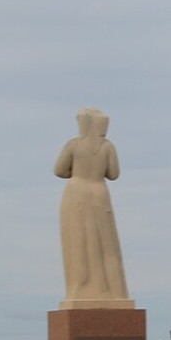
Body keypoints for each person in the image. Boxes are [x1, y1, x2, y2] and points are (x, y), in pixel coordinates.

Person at [55, 108, 130, 304]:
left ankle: (82, 286)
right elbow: (113, 173)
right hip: (99, 192)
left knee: (79, 242)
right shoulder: (107, 147)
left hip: (77, 192)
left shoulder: (73, 145)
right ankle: (110, 290)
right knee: (105, 245)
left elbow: (60, 170)